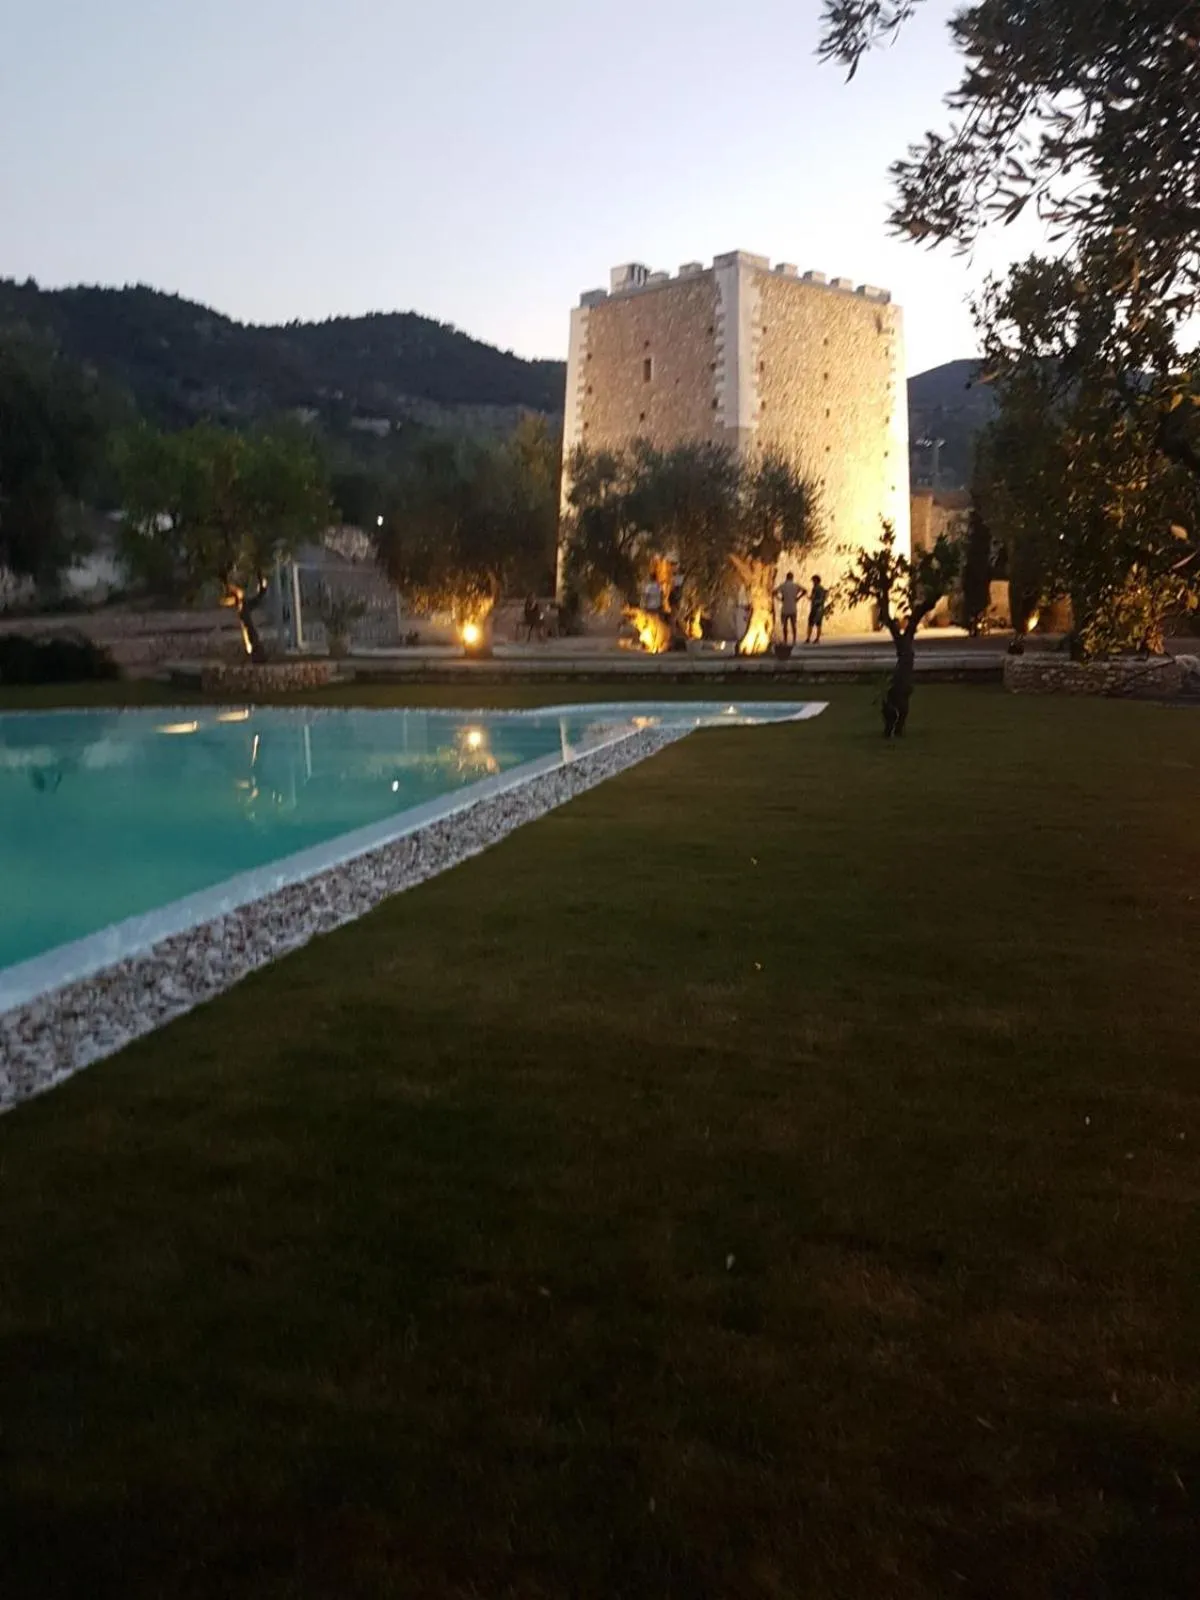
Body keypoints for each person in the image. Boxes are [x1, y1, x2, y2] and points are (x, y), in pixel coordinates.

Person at [774, 571, 801, 645]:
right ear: (792, 577)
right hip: (793, 608)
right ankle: (794, 640)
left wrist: (779, 599)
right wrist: (798, 598)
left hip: (785, 608)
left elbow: (774, 592)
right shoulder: (795, 585)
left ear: (786, 577)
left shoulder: (783, 585)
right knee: (793, 625)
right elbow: (804, 590)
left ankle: (785, 640)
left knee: (785, 625)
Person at [806, 574, 827, 645]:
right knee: (819, 624)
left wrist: (808, 597)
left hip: (815, 608)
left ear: (816, 581)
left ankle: (808, 638)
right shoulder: (822, 588)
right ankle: (817, 639)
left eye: (813, 580)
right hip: (821, 608)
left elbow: (813, 597)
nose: (812, 582)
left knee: (810, 623)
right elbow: (824, 598)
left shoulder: (815, 588)